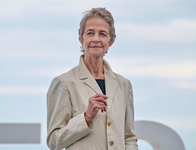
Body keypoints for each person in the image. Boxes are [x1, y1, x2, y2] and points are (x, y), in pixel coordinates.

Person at [46, 7, 138, 150]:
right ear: (80, 38)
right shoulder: (63, 83)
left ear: (111, 40)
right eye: (90, 33)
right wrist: (86, 118)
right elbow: (53, 141)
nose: (96, 39)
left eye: (103, 34)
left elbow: (129, 137)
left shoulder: (124, 85)